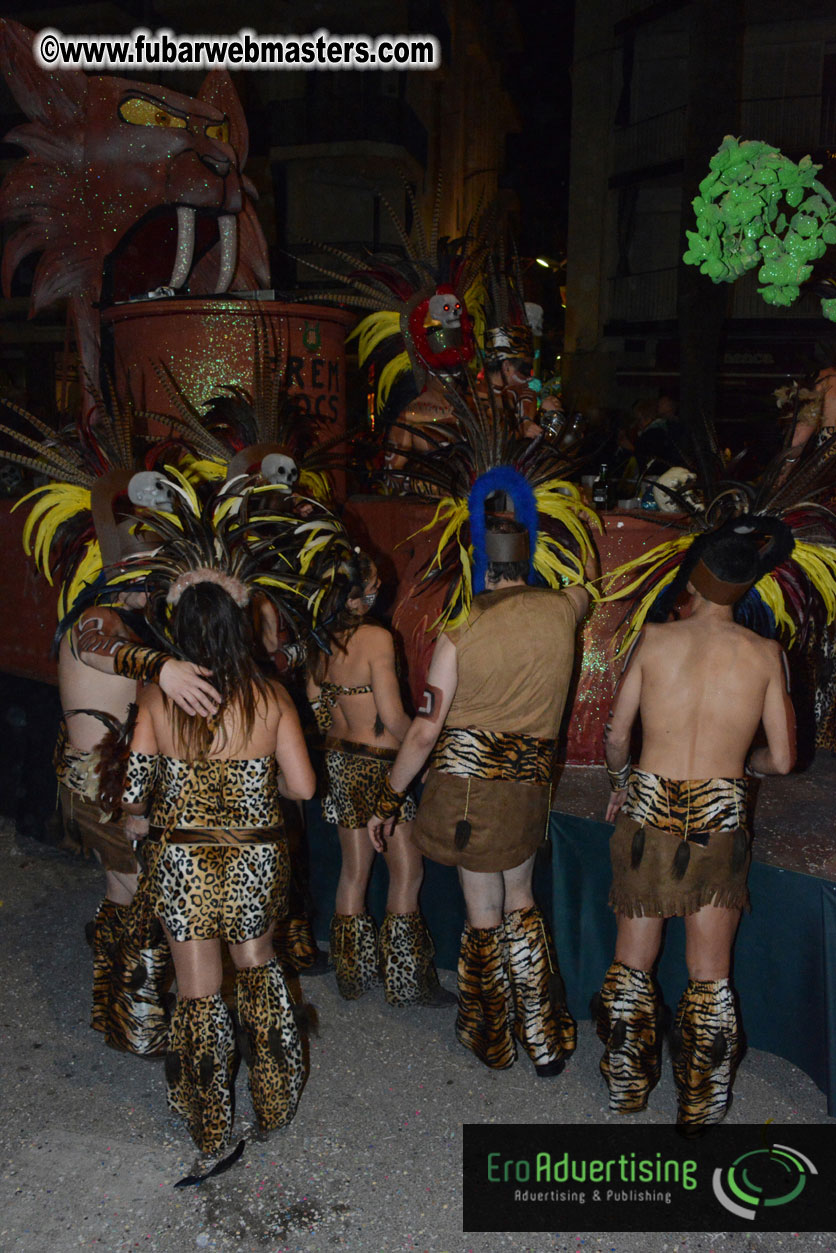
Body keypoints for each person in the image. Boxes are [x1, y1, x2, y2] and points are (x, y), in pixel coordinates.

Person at [369, 515, 594, 1075]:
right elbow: (586, 583)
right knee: (522, 901)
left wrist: (388, 799)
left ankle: (492, 1036)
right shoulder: (564, 610)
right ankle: (544, 1039)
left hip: (468, 792)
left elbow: (425, 730)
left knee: (484, 912)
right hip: (527, 787)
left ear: (482, 568)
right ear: (527, 562)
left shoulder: (462, 627)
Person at [598, 520, 796, 1132]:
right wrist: (743, 766)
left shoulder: (655, 640)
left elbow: (614, 734)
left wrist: (622, 779)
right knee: (710, 974)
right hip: (719, 818)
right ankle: (700, 1105)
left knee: (634, 961)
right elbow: (784, 760)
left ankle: (628, 1087)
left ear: (696, 579)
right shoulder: (765, 655)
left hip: (648, 809)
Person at [306, 550, 453, 1008]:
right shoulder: (375, 639)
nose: (376, 591)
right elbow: (392, 717)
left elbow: (319, 713)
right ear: (352, 595)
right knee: (407, 871)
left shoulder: (316, 638)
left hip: (340, 762)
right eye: (369, 584)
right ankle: (407, 981)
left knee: (354, 871)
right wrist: (426, 754)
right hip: (382, 767)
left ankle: (352, 974)